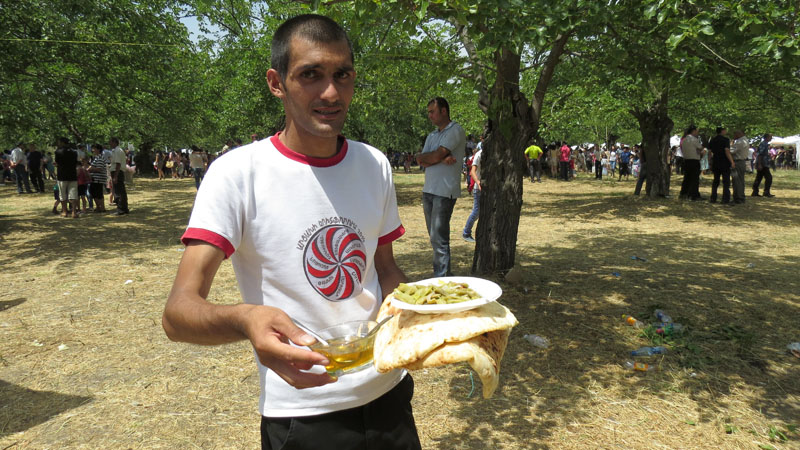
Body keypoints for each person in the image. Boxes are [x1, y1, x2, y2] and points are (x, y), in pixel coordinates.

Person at [162, 14, 420, 450]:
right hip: (303, 413)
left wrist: (419, 313)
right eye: (310, 75)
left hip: (390, 392)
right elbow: (177, 314)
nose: (331, 93)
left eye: (342, 75)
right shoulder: (237, 174)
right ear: (276, 82)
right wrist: (246, 319)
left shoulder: (374, 164)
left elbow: (385, 270)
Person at [416, 97, 466, 277]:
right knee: (434, 237)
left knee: (439, 239)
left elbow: (433, 156)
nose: (429, 116)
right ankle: (442, 276)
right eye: (429, 112)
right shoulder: (432, 135)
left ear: (444, 111)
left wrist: (435, 157)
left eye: (432, 112)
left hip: (444, 192)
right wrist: (439, 159)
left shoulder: (455, 130)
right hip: (428, 190)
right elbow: (420, 159)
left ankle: (442, 279)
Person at [708, 127, 734, 204]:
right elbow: (727, 151)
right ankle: (725, 199)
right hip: (724, 162)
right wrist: (732, 161)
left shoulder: (713, 140)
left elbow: (710, 152)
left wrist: (709, 162)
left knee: (716, 181)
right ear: (722, 131)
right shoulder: (726, 140)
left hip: (716, 161)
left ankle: (713, 198)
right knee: (726, 181)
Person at [54, 137, 79, 218]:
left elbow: (57, 162)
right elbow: (75, 162)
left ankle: (64, 212)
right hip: (72, 175)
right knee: (73, 194)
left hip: (62, 175)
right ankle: (74, 212)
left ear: (62, 142)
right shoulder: (74, 152)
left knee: (62, 194)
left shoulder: (58, 152)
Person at [462, 142, 482, 243]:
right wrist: (478, 182)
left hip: (489, 189)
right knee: (476, 212)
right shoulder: (479, 154)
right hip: (478, 189)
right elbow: (472, 172)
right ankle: (466, 232)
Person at [679, 125, 704, 201]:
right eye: (697, 131)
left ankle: (684, 193)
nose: (697, 133)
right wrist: (700, 151)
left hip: (686, 160)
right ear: (693, 131)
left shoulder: (684, 140)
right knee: (695, 179)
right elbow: (701, 148)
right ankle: (693, 195)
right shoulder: (694, 139)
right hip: (694, 160)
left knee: (687, 178)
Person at [109, 137, 129, 215]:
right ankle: (124, 208)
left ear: (114, 142)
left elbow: (118, 164)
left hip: (117, 172)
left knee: (118, 191)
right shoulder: (118, 150)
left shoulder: (117, 151)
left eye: (111, 142)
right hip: (118, 172)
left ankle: (121, 209)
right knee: (121, 191)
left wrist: (115, 176)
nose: (110, 144)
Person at [752, 133, 774, 197]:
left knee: (759, 177)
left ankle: (755, 191)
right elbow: (760, 154)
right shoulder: (763, 144)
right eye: (770, 137)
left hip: (764, 163)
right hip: (763, 164)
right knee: (769, 178)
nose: (771, 138)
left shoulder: (766, 144)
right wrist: (759, 164)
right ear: (767, 137)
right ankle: (766, 192)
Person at [88, 144, 108, 212]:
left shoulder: (100, 158)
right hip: (94, 179)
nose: (92, 150)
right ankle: (98, 207)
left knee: (98, 193)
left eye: (94, 149)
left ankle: (102, 208)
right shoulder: (96, 158)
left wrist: (91, 169)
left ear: (98, 149)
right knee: (93, 192)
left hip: (99, 179)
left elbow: (99, 169)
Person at [730, 130, 749, 204]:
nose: (733, 135)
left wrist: (730, 145)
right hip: (741, 162)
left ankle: (738, 198)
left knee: (736, 181)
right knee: (740, 180)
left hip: (738, 162)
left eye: (734, 134)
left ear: (738, 134)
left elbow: (731, 151)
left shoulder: (740, 142)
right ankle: (740, 196)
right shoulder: (745, 140)